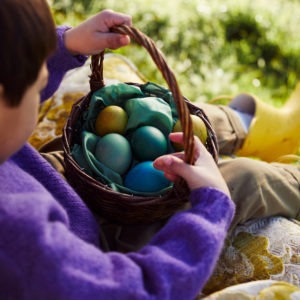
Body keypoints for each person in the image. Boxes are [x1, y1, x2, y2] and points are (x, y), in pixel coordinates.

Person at [0, 1, 235, 299]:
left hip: (39, 178)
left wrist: (68, 45)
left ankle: (241, 122)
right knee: (244, 177)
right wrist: (211, 206)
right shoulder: (19, 240)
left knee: (172, 120)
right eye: (38, 88)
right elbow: (134, 290)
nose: (40, 94)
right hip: (88, 240)